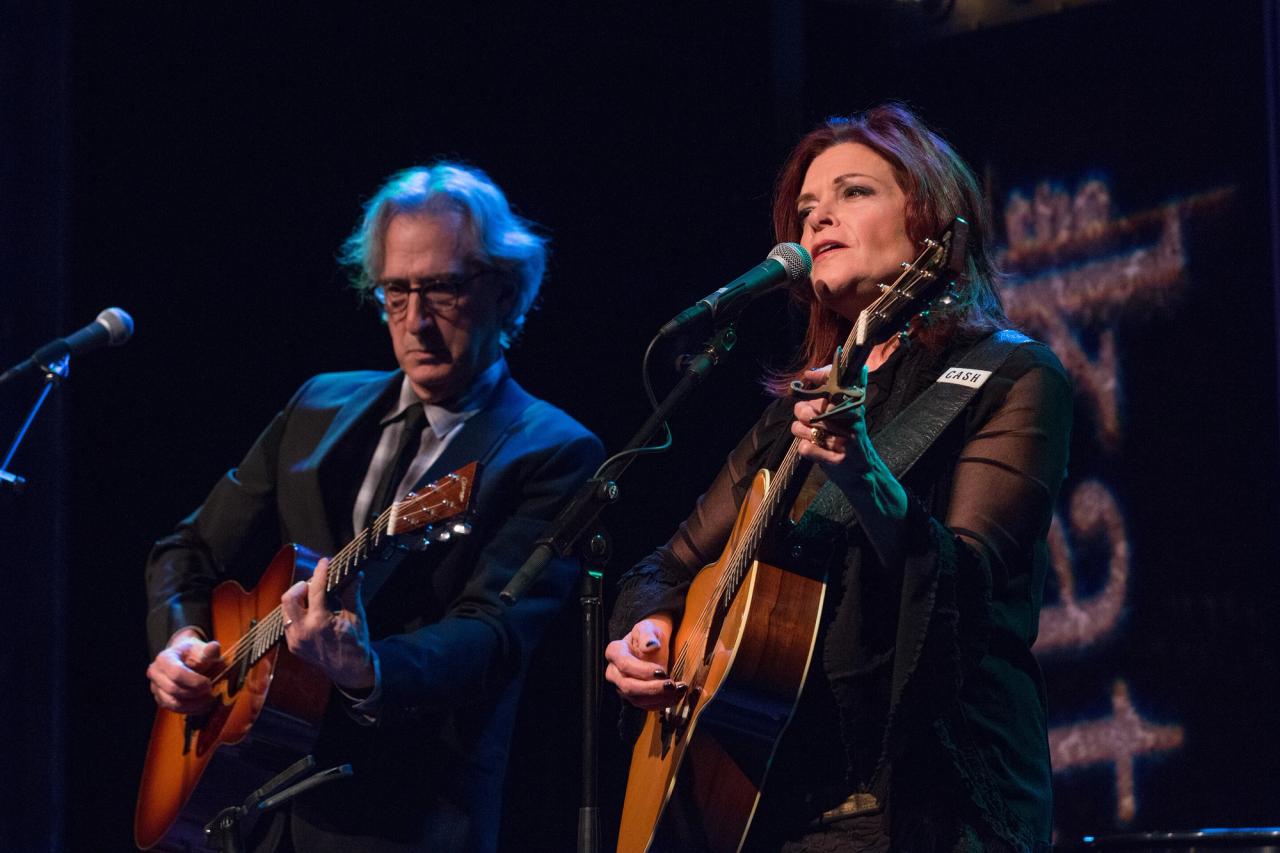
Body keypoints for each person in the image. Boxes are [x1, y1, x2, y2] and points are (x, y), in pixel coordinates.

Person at [606, 104, 1072, 852]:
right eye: (806, 210)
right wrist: (651, 632)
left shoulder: (1010, 375)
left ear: (930, 218)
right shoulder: (793, 412)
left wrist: (864, 476)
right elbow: (665, 565)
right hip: (771, 810)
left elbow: (966, 592)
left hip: (916, 802)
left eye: (853, 192)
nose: (817, 219)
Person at [144, 162, 604, 852]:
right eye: (396, 291)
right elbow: (186, 551)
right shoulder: (318, 404)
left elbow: (494, 634)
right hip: (249, 806)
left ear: (505, 292)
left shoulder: (553, 449)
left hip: (404, 816)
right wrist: (180, 642)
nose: (416, 321)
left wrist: (366, 669)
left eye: (443, 288)